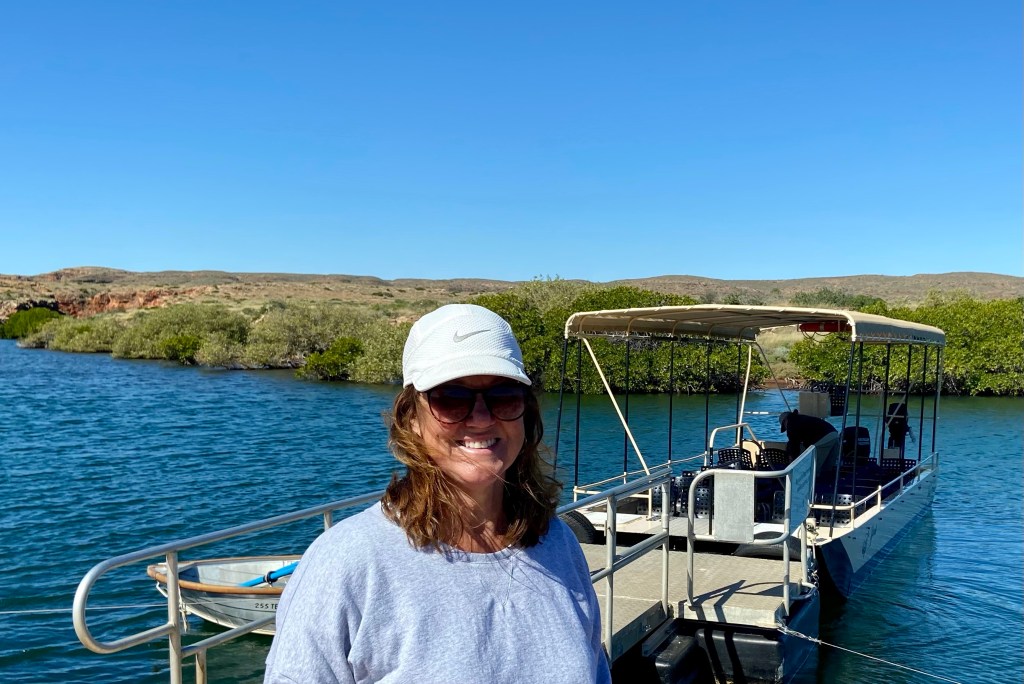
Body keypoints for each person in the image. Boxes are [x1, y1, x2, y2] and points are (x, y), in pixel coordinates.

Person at [265, 304, 611, 684]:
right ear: (411, 418)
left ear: (525, 413)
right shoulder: (347, 563)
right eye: (451, 398)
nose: (481, 418)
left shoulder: (557, 543)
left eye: (504, 396)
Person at [780, 409, 838, 474]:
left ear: (785, 421)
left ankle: (815, 478)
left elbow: (794, 445)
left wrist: (792, 461)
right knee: (828, 466)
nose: (786, 428)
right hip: (834, 433)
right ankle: (828, 478)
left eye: (784, 427)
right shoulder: (801, 418)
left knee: (813, 466)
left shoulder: (791, 424)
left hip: (824, 437)